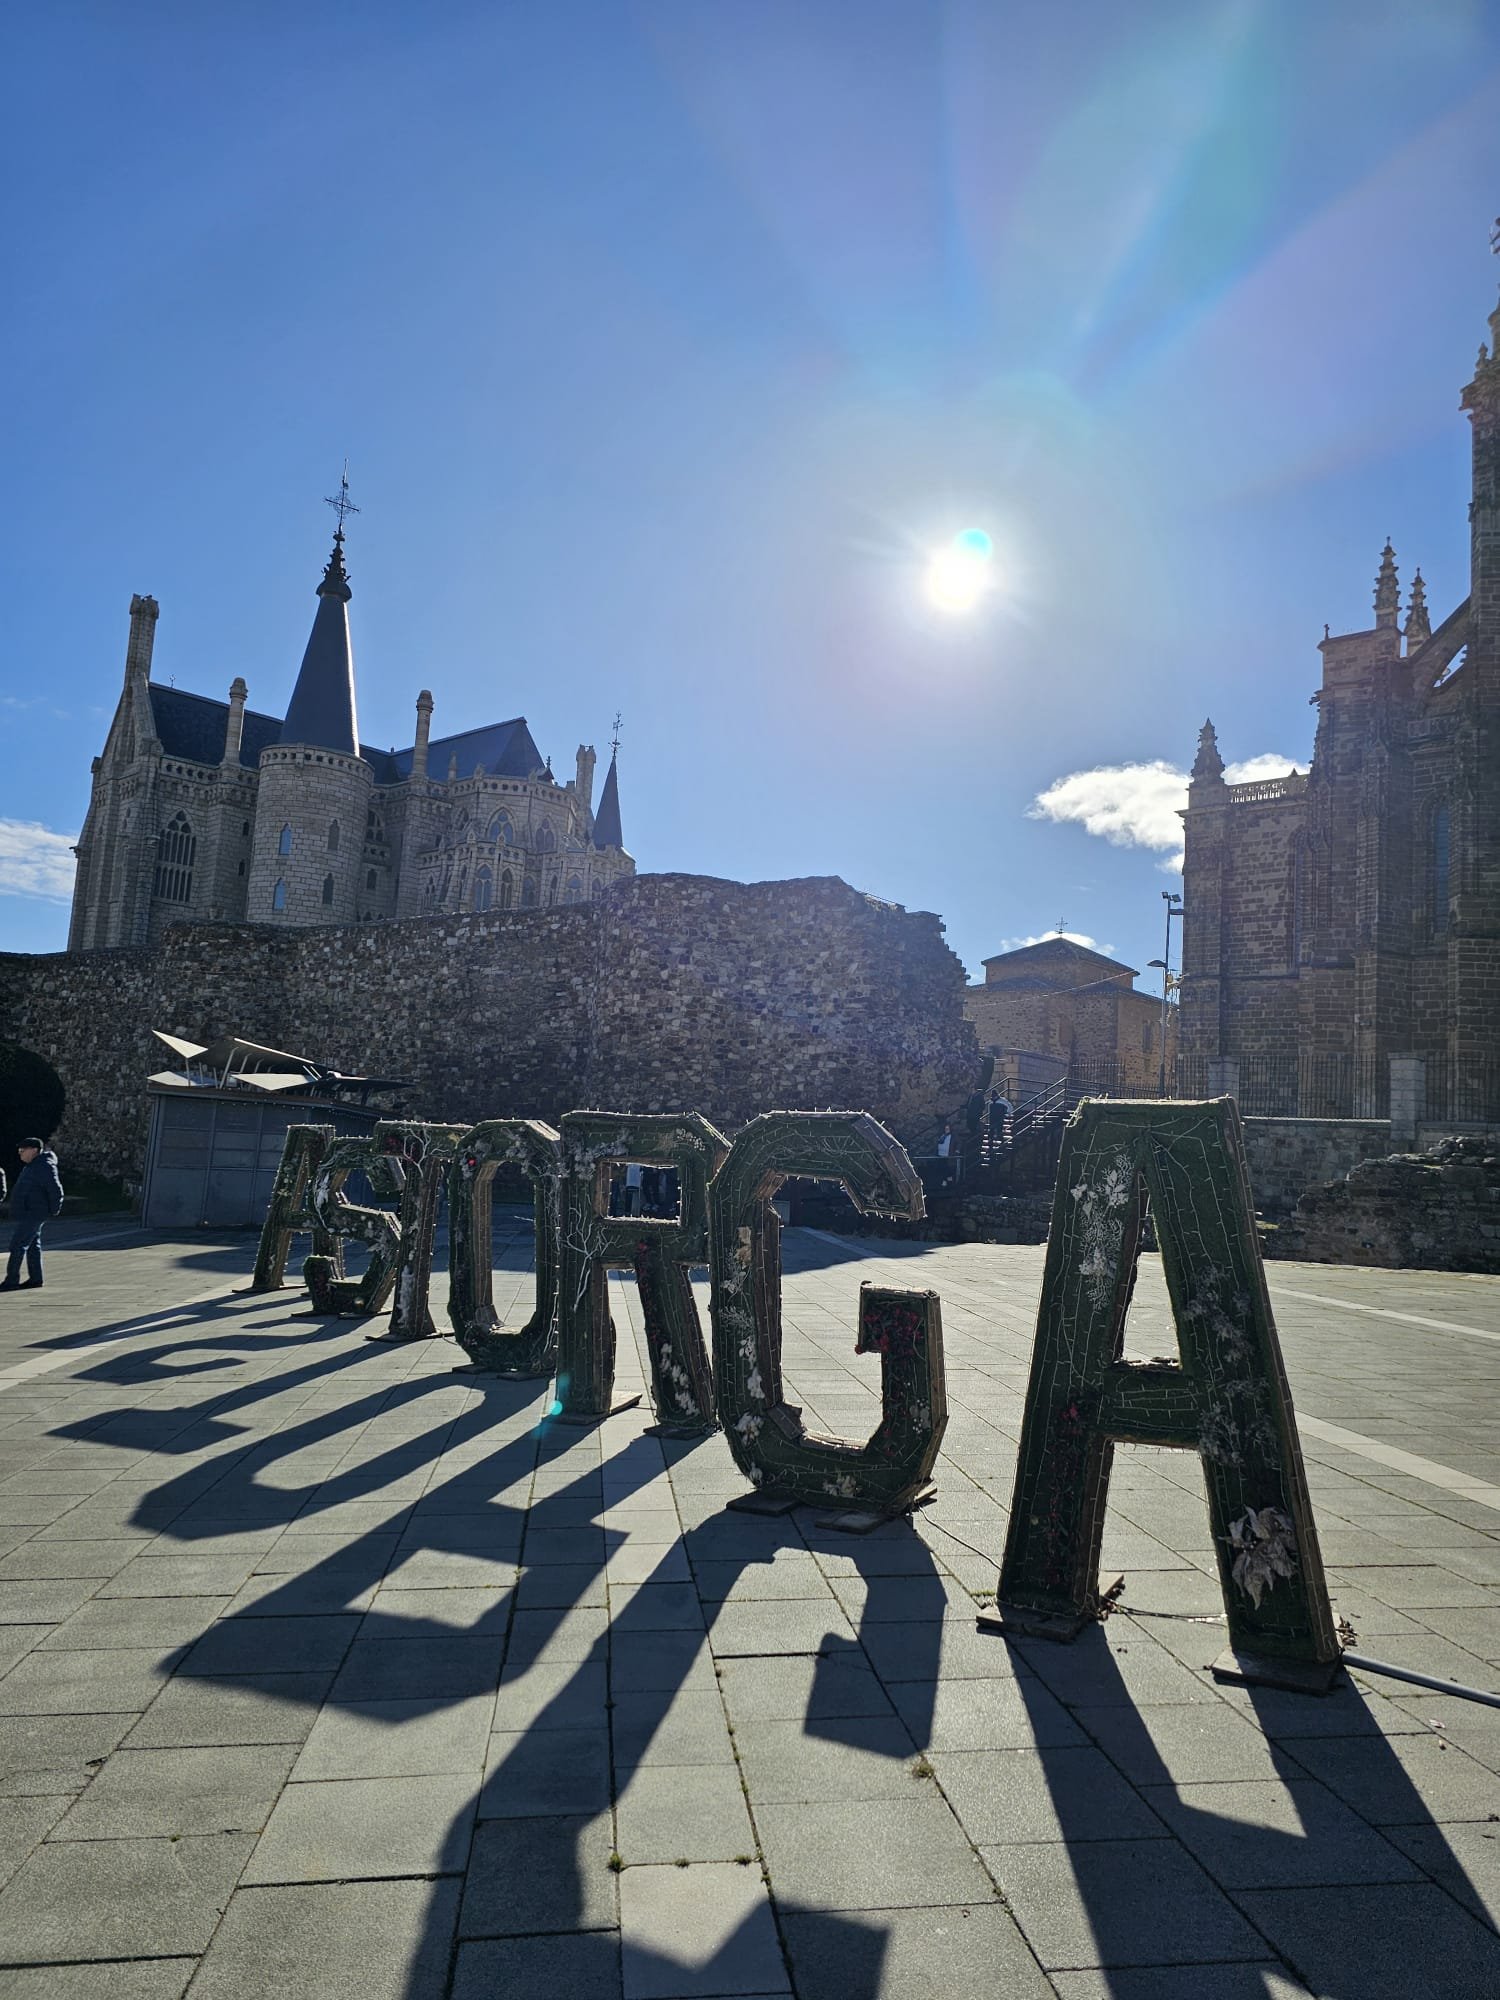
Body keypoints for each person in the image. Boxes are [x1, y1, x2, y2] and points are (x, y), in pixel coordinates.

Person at [2, 1138, 63, 1291]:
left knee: (17, 1244)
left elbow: (55, 1189)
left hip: (35, 1212)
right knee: (33, 1246)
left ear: (34, 1150)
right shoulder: (33, 1166)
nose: (20, 1153)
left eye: (23, 1150)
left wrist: (54, 1209)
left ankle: (11, 1280)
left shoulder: (44, 1166)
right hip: (30, 1211)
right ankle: (36, 1279)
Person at [935, 1121, 956, 1187]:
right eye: (946, 1129)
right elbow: (939, 1142)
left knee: (948, 1168)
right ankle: (947, 1181)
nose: (947, 1130)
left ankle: (946, 1181)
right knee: (942, 1168)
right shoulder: (942, 1136)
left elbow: (958, 1143)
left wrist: (957, 1150)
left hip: (948, 1155)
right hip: (941, 1155)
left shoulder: (953, 1136)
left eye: (948, 1129)